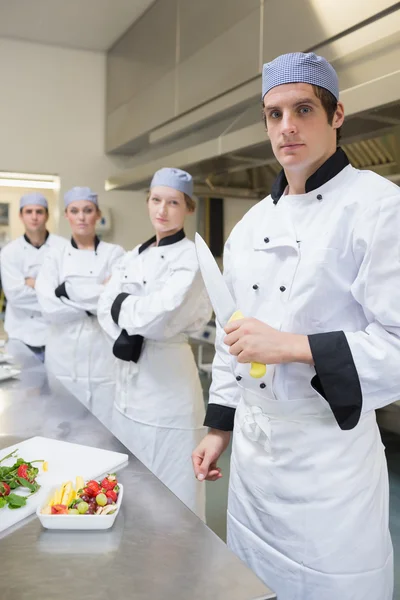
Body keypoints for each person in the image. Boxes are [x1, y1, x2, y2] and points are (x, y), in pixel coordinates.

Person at [192, 52, 399, 600]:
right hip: (256, 463)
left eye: (303, 109)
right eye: (274, 114)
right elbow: (234, 337)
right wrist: (220, 428)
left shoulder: (378, 208)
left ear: (336, 115)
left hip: (329, 460)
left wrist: (294, 346)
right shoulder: (251, 224)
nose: (286, 127)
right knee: (252, 582)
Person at [98, 168, 211, 519]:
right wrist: (123, 308)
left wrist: (120, 305)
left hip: (169, 394)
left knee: (174, 494)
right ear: (147, 202)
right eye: (156, 200)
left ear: (188, 208)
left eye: (173, 202)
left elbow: (160, 320)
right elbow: (103, 308)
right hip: (128, 390)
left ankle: (181, 569)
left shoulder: (192, 259)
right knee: (129, 487)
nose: (162, 210)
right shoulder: (133, 256)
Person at [36, 187, 124, 424]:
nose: (82, 217)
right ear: (66, 215)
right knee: (60, 428)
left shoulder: (114, 254)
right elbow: (49, 307)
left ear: (97, 214)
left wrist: (66, 291)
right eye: (75, 211)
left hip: (103, 360)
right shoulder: (55, 256)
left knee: (104, 432)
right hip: (62, 359)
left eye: (88, 210)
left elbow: (116, 300)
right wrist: (95, 301)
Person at [0, 193, 66, 361]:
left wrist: (33, 283)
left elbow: (71, 293)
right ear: (20, 216)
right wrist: (53, 291)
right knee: (23, 385)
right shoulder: (9, 252)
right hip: (21, 335)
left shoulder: (64, 248)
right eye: (29, 212)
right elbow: (15, 296)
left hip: (58, 336)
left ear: (47, 215)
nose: (34, 217)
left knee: (58, 386)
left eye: (39, 211)